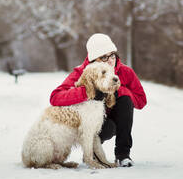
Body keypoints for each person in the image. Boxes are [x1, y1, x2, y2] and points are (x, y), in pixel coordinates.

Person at [50, 33, 147, 167]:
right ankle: (92, 153)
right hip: (94, 122)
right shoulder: (82, 72)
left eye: (112, 55)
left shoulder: (125, 72)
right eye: (104, 57)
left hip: (116, 115)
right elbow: (55, 97)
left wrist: (120, 91)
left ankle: (123, 155)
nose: (110, 60)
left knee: (125, 101)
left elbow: (141, 100)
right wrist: (88, 93)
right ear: (94, 59)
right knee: (108, 127)